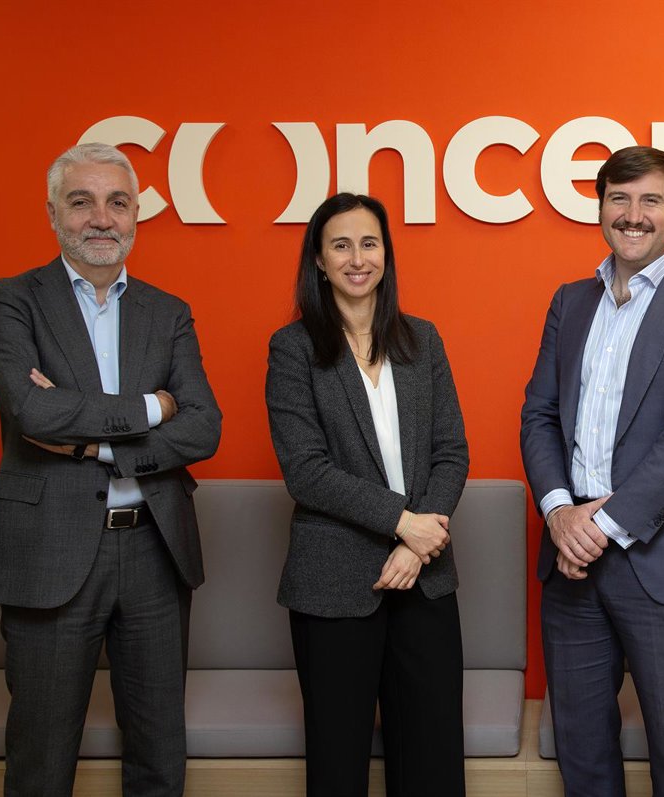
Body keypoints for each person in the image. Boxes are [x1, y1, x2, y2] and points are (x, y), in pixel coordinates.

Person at [0, 142, 223, 796]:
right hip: (48, 550)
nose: (101, 219)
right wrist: (153, 406)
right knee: (42, 759)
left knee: (160, 757)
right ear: (53, 212)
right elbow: (32, 410)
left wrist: (88, 442)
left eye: (117, 202)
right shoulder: (12, 301)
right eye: (81, 202)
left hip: (155, 550)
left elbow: (204, 426)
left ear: (136, 213)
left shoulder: (168, 312)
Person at [519, 146, 664, 797]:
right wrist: (560, 512)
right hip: (570, 558)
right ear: (600, 209)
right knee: (583, 754)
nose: (633, 214)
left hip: (663, 557)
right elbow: (539, 414)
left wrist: (599, 527)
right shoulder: (571, 302)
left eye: (651, 200)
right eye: (619, 198)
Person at [265, 193, 469, 797]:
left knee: (432, 762)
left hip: (425, 575)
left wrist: (418, 542)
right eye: (341, 245)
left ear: (386, 254)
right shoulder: (293, 348)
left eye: (370, 243)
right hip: (333, 581)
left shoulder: (422, 340)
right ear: (319, 261)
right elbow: (306, 470)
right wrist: (404, 523)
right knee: (338, 763)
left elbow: (451, 451)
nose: (358, 259)